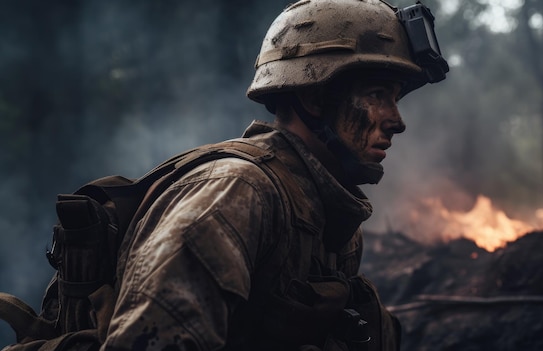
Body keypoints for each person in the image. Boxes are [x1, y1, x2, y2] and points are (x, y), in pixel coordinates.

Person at [100, 0, 449, 350]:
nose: (396, 121)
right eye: (377, 94)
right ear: (315, 98)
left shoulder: (327, 213)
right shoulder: (236, 194)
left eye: (395, 98)